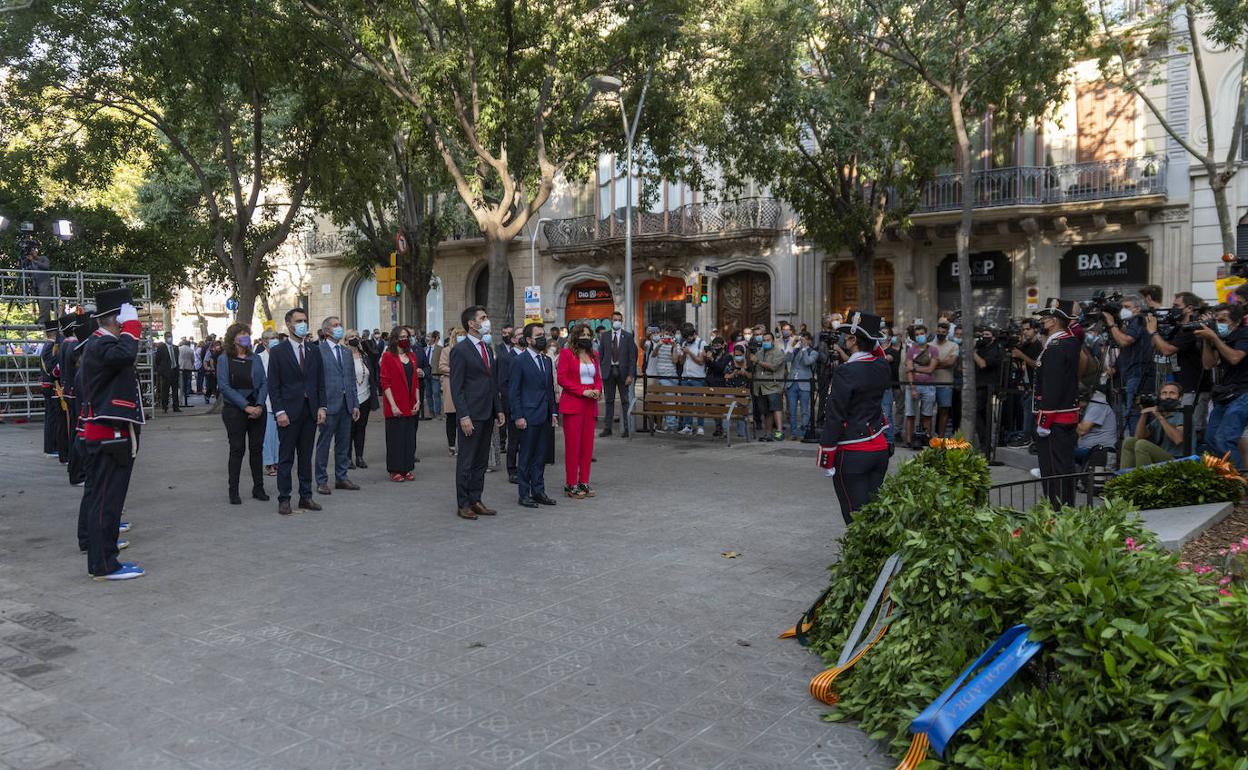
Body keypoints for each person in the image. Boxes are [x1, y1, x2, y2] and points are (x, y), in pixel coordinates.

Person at [78, 287, 146, 580]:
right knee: (107, 501)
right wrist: (131, 326)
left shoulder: (102, 343)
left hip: (110, 434)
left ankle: (105, 558)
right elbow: (126, 354)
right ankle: (104, 565)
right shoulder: (102, 343)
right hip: (109, 435)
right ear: (117, 318)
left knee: (106, 500)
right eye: (127, 316)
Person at [818, 311, 892, 525]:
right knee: (873, 512)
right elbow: (878, 354)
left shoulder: (846, 371)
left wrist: (826, 454)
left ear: (852, 340)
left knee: (855, 516)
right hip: (879, 449)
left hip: (852, 451)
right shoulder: (881, 366)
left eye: (847, 337)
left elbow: (835, 414)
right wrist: (871, 340)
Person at [266, 307, 327, 516]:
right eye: (299, 321)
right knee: (286, 458)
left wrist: (322, 407)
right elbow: (273, 386)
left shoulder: (313, 350)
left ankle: (306, 497)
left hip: (310, 412)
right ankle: (284, 499)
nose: (303, 324)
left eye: (305, 320)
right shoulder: (278, 351)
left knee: (305, 457)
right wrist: (279, 412)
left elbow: (320, 382)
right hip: (288, 413)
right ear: (289, 324)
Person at [450, 306, 505, 519]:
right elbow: (457, 387)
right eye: (482, 318)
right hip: (470, 415)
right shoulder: (460, 350)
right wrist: (463, 415)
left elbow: (492, 382)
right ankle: (463, 503)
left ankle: (476, 499)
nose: (486, 321)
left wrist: (498, 409)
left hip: (487, 412)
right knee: (467, 461)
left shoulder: (487, 348)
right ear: (471, 324)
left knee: (481, 461)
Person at [1033, 299, 1082, 508]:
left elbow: (1052, 386)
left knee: (1053, 469)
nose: (1042, 321)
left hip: (1055, 418)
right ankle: (1066, 508)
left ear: (1054, 321)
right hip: (1065, 414)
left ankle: (1058, 512)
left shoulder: (1056, 347)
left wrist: (1044, 421)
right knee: (1064, 465)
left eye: (1045, 318)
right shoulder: (1068, 341)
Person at [216, 323, 269, 505]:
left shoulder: (255, 358)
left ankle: (258, 488)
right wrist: (246, 406)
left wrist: (259, 405)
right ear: (233, 338)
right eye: (241, 333)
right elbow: (224, 386)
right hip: (235, 411)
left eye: (247, 333)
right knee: (237, 449)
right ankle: (234, 491)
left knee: (257, 449)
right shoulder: (224, 359)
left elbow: (264, 382)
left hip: (257, 409)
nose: (245, 336)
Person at [509, 322, 559, 508]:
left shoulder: (546, 360)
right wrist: (518, 416)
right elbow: (514, 391)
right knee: (526, 457)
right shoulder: (519, 361)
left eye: (543, 335)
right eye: (538, 336)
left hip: (545, 416)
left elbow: (549, 390)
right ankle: (524, 494)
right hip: (527, 417)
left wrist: (554, 412)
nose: (542, 338)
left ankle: (538, 491)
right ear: (528, 339)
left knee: (540, 457)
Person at [314, 316, 361, 496]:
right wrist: (320, 406)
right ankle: (321, 480)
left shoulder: (346, 352)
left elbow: (351, 380)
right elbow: (316, 382)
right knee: (324, 444)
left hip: (346, 405)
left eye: (340, 324)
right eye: (335, 325)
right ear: (327, 331)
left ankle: (342, 477)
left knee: (343, 444)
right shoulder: (318, 351)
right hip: (328, 405)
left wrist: (355, 404)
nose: (339, 327)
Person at [1197, 304, 1248, 468]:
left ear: (1237, 321)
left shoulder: (1244, 334)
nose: (1219, 324)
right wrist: (1207, 340)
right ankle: (1224, 477)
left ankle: (1238, 480)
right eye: (1216, 320)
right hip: (1226, 394)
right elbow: (1208, 364)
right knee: (1211, 439)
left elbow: (1235, 358)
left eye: (1223, 320)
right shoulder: (1221, 338)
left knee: (1224, 439)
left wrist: (1214, 337)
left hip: (1243, 393)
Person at [557, 323, 602, 498]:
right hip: (574, 404)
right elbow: (562, 378)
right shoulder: (566, 354)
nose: (586, 338)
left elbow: (597, 378)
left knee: (587, 446)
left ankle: (584, 481)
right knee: (573, 446)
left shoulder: (594, 355)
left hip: (590, 404)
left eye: (588, 335)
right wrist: (582, 391)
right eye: (583, 335)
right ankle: (571, 484)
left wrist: (597, 389)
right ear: (576, 336)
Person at [1103, 295, 1153, 437]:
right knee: (1132, 412)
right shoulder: (1130, 323)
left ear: (1137, 309)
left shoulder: (1138, 320)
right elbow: (1127, 350)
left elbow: (1125, 341)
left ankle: (1135, 443)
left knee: (1134, 412)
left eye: (1127, 307)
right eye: (1122, 307)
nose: (1123, 310)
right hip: (1132, 374)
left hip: (1138, 374)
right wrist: (1115, 368)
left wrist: (1111, 324)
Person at [379, 326, 421, 481]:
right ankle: (395, 470)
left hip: (410, 403)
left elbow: (415, 381)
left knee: (409, 438)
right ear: (395, 339)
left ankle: (407, 467)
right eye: (402, 337)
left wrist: (418, 400)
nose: (405, 339)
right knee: (395, 438)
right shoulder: (388, 356)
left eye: (407, 337)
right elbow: (385, 382)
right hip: (395, 403)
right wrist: (393, 405)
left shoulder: (412, 356)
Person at [1115, 382, 1186, 469]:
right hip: (1162, 461)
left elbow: (1178, 439)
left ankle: (1142, 477)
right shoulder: (1160, 418)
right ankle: (1126, 475)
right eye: (1164, 393)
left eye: (1172, 393)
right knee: (1129, 441)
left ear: (1180, 398)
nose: (1167, 396)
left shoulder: (1183, 414)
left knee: (1142, 445)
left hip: (1179, 461)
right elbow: (1139, 437)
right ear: (1159, 397)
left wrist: (1159, 416)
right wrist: (1144, 413)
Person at [598, 311, 637, 438]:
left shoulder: (628, 336)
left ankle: (626, 429)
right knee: (609, 401)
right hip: (608, 371)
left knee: (625, 401)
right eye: (615, 319)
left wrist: (630, 375)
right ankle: (607, 428)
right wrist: (602, 369)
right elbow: (601, 354)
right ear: (611, 321)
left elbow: (632, 358)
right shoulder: (605, 336)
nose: (617, 322)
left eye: (619, 320)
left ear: (622, 321)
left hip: (623, 373)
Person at [345, 329, 379, 469]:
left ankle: (359, 456)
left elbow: (375, 359)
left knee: (361, 429)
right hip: (350, 399)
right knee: (349, 430)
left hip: (365, 397)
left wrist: (365, 344)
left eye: (356, 336)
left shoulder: (364, 355)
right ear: (346, 341)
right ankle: (347, 458)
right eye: (351, 337)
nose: (355, 338)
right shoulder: (344, 356)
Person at [903, 325, 937, 447]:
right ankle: (909, 441)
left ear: (926, 334)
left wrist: (915, 368)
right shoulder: (911, 350)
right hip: (913, 386)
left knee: (927, 415)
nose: (919, 336)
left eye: (921, 334)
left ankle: (926, 439)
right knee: (910, 414)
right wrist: (913, 388)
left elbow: (931, 369)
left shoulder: (933, 350)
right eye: (917, 335)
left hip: (929, 386)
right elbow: (908, 370)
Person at [751, 331, 787, 441]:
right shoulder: (760, 353)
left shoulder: (778, 352)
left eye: (768, 340)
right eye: (764, 340)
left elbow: (773, 366)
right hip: (761, 387)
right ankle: (768, 433)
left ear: (773, 341)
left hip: (773, 386)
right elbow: (753, 367)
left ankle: (779, 433)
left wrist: (757, 361)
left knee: (776, 409)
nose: (766, 342)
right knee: (766, 411)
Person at [673, 323, 708, 436]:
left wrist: (689, 352)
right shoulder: (684, 343)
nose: (688, 339)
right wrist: (683, 354)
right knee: (686, 403)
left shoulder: (702, 343)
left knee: (699, 403)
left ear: (694, 334)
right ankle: (687, 426)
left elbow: (701, 361)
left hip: (698, 378)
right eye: (686, 337)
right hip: (686, 377)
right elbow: (681, 362)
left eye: (689, 337)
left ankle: (700, 427)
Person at [972, 327, 1004, 449]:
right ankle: (984, 442)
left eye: (987, 334)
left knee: (977, 412)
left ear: (993, 337)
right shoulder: (982, 347)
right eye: (983, 334)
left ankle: (985, 442)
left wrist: (972, 352)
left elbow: (982, 364)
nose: (984, 336)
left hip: (987, 386)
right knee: (981, 414)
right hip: (979, 384)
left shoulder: (995, 349)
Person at [785, 331, 819, 440]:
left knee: (804, 410)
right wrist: (792, 345)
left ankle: (805, 432)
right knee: (792, 410)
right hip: (791, 383)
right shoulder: (795, 350)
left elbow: (807, 362)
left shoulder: (813, 352)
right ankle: (794, 432)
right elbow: (787, 359)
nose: (802, 341)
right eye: (801, 338)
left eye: (804, 339)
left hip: (805, 384)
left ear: (809, 340)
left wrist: (804, 348)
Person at [496, 328, 520, 482]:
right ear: (513, 340)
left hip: (528, 404)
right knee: (514, 439)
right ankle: (512, 469)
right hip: (513, 404)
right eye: (519, 335)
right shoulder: (506, 358)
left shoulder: (529, 356)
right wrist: (510, 403)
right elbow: (503, 383)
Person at [1074, 385, 1118, 467]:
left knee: (1064, 452)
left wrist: (1067, 417)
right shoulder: (1091, 404)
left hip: (1101, 450)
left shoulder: (1097, 404)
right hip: (1089, 449)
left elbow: (1082, 430)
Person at [257, 330, 280, 476]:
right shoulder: (259, 358)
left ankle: (278, 460)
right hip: (266, 402)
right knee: (268, 435)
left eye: (277, 337)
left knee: (279, 436)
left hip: (282, 401)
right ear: (264, 341)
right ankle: (269, 462)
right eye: (272, 338)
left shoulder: (282, 356)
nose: (276, 340)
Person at [39, 319, 63, 458]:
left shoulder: (48, 345)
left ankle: (52, 446)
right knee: (52, 419)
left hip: (49, 385)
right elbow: (50, 368)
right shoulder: (50, 346)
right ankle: (51, 447)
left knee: (52, 418)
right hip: (51, 386)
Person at [932, 320, 959, 437]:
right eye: (938, 331)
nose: (940, 334)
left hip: (946, 383)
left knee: (944, 411)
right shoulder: (930, 345)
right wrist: (941, 363)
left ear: (947, 333)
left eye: (943, 332)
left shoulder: (953, 346)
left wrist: (934, 364)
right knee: (927, 412)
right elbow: (925, 362)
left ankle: (940, 437)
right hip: (930, 383)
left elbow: (951, 363)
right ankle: (927, 436)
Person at [441, 327, 464, 456]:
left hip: (464, 386)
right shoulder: (446, 350)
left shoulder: (467, 350)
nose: (462, 337)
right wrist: (456, 371)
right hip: (451, 385)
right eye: (459, 335)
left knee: (463, 416)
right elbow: (442, 366)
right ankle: (451, 445)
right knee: (451, 418)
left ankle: (463, 444)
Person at [154, 332, 181, 413]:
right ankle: (165, 407)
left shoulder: (175, 348)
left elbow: (177, 359)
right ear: (165, 338)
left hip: (174, 371)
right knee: (165, 391)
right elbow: (157, 360)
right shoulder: (161, 348)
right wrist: (160, 371)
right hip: (165, 373)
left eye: (171, 336)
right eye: (168, 337)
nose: (170, 338)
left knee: (175, 390)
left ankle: (176, 406)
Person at [425, 331, 443, 417]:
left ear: (433, 338)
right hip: (426, 375)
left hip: (435, 374)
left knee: (436, 394)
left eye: (429, 336)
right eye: (427, 336)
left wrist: (441, 373)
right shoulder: (425, 349)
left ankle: (438, 413)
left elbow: (442, 361)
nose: (427, 338)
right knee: (428, 394)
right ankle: (431, 412)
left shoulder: (440, 349)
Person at [178, 338, 195, 405]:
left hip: (181, 366)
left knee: (181, 382)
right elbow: (193, 359)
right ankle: (186, 392)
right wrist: (192, 365)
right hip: (188, 367)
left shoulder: (179, 349)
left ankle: (181, 395)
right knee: (188, 381)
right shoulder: (190, 350)